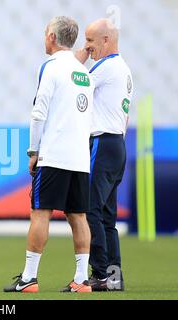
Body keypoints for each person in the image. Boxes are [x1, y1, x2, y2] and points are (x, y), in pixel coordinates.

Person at [3, 16, 94, 293]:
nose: (45, 38)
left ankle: (29, 278)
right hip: (80, 157)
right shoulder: (85, 74)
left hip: (54, 155)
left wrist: (33, 151)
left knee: (40, 213)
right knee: (78, 216)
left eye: (46, 34)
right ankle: (81, 279)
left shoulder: (51, 68)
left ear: (52, 38)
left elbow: (39, 113)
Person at [75, 18, 133, 291]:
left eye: (90, 41)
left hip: (102, 142)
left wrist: (78, 59)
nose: (86, 47)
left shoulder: (106, 68)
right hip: (117, 145)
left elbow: (73, 83)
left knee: (90, 210)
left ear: (106, 41)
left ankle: (99, 274)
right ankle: (113, 276)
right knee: (107, 215)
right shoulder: (124, 69)